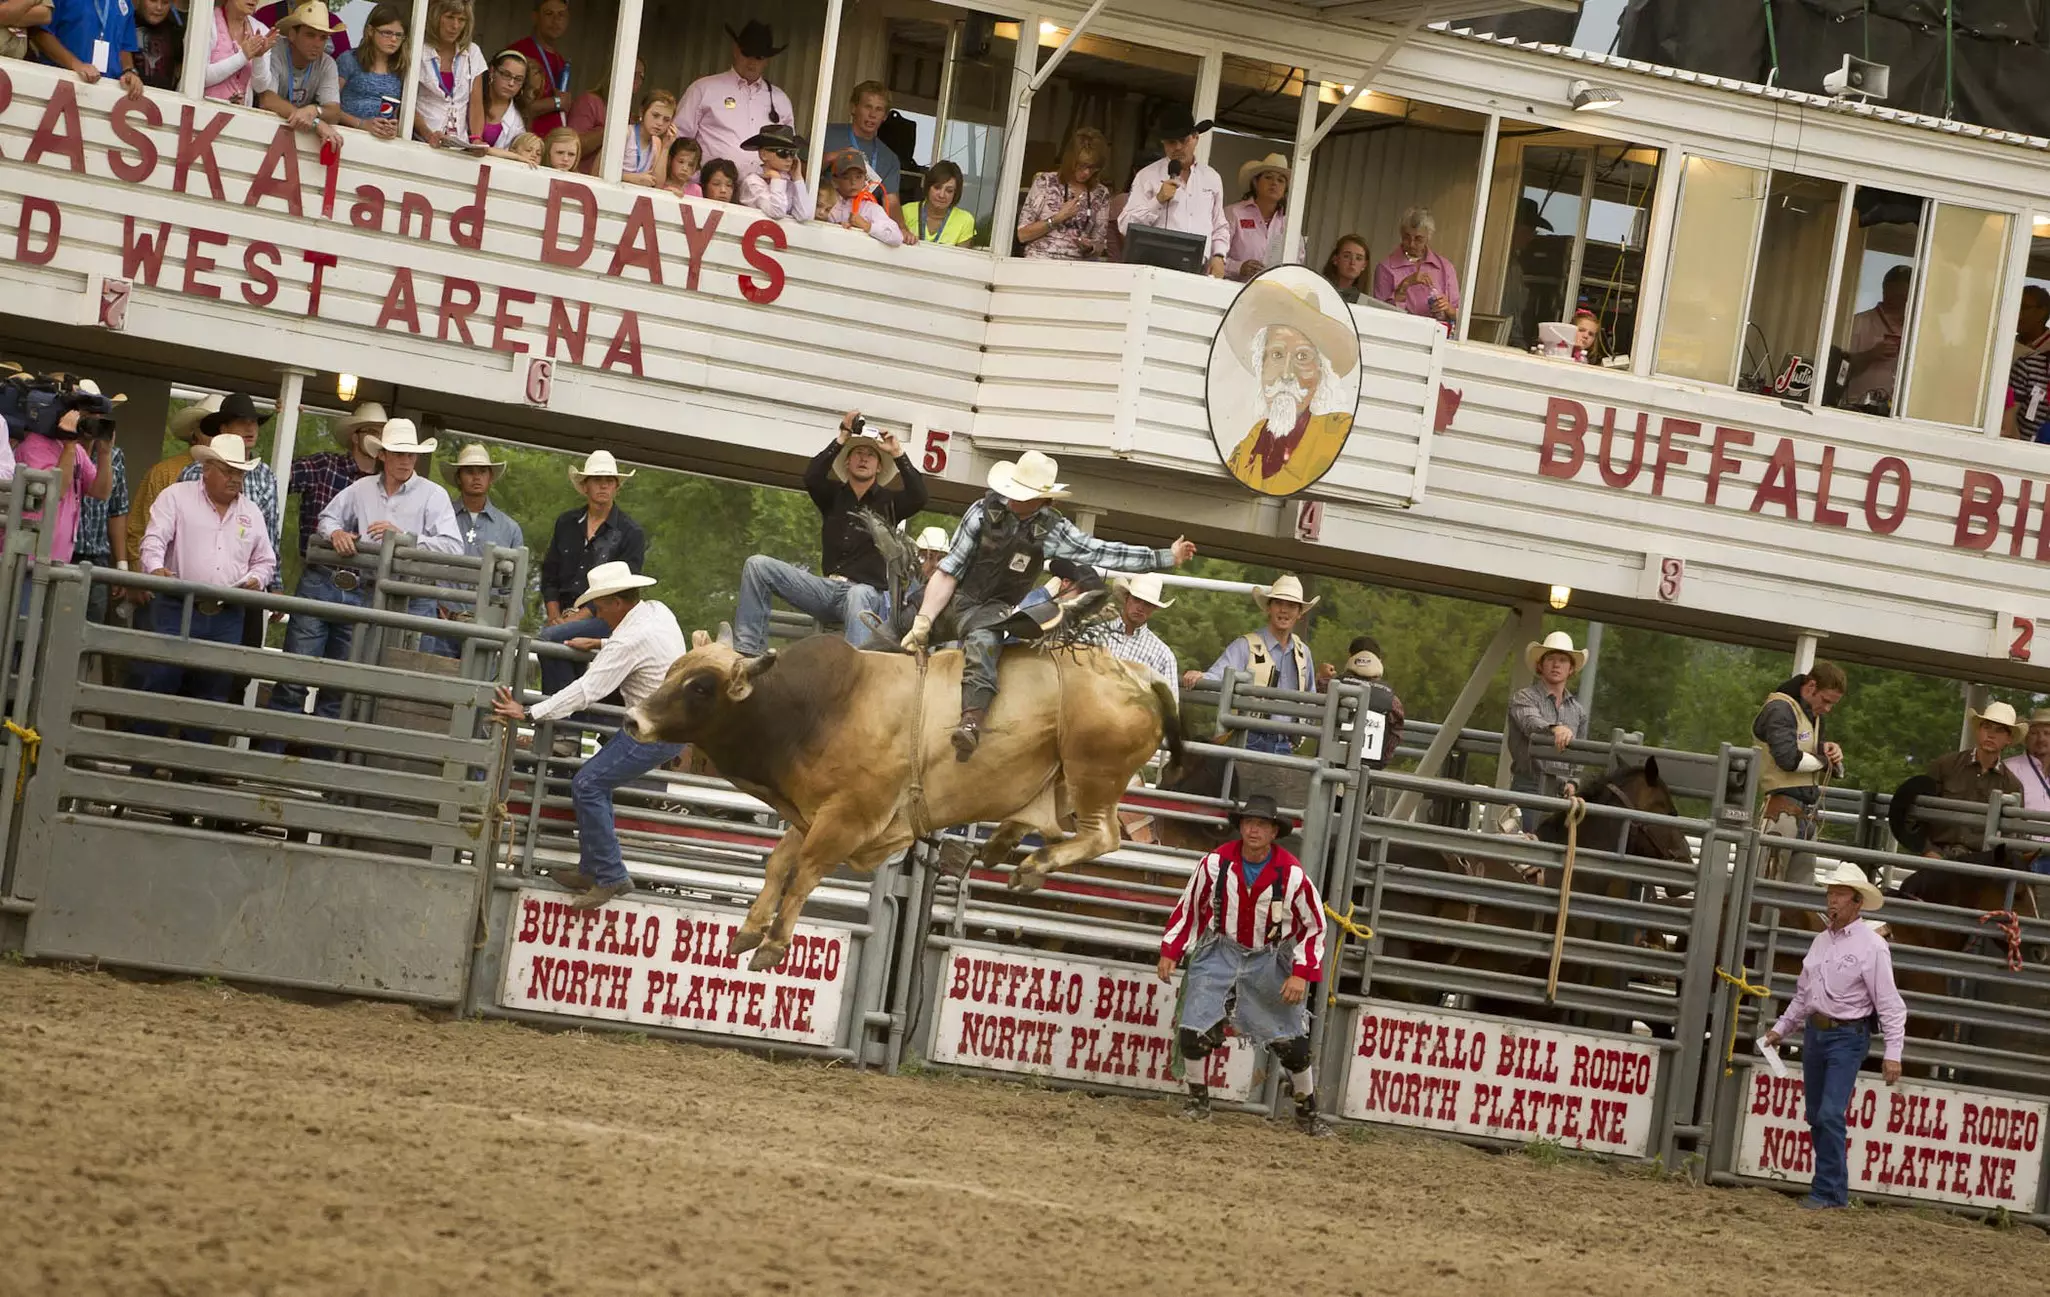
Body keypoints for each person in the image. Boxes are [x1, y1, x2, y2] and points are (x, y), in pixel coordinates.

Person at [903, 451, 1194, 758]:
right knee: (897, 626)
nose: (1015, 498)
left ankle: (972, 720)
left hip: (995, 609)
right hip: (954, 597)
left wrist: (1163, 557)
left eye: (1024, 494)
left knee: (983, 642)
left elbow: (1103, 552)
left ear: (1042, 500)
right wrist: (923, 619)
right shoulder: (981, 512)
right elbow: (950, 570)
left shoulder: (1053, 530)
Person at [491, 563, 686, 910]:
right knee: (595, 782)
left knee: (588, 784)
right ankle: (594, 868)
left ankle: (610, 875)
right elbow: (641, 647)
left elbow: (587, 690)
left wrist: (531, 712)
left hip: (654, 728)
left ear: (614, 603)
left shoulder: (628, 640)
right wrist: (602, 641)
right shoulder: (657, 613)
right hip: (668, 722)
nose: (595, 611)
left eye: (598, 604)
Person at [1156, 794, 1330, 1136]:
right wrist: (1171, 949)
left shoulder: (1292, 874)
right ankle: (1197, 1102)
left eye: (1262, 825)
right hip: (1219, 948)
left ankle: (1307, 1112)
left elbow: (1315, 924)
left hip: (1269, 955)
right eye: (1249, 823)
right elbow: (1189, 906)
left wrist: (1300, 972)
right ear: (1240, 828)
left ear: (1273, 832)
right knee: (1194, 1028)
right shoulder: (1215, 864)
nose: (1254, 829)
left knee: (1290, 1040)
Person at [1760, 862, 1905, 1210]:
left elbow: (1889, 1003)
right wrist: (1781, 1028)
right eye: (1831, 894)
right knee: (1817, 1113)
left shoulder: (1872, 946)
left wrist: (1893, 1051)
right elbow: (1804, 995)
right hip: (1817, 1033)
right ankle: (1834, 1192)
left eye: (1840, 895)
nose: (1832, 901)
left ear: (1857, 902)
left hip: (1846, 1036)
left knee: (1827, 1114)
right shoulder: (1821, 941)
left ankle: (1826, 1190)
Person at [733, 413, 926, 655]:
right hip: (826, 589)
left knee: (859, 593)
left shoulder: (890, 503)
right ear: (847, 462)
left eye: (870, 456)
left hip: (866, 594)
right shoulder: (833, 495)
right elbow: (811, 477)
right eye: (857, 454)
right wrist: (843, 437)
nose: (863, 459)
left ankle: (858, 672)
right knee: (757, 566)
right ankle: (748, 651)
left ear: (879, 467)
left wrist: (897, 452)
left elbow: (920, 496)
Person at [134, 433, 279, 716]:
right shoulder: (176, 496)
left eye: (240, 472)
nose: (235, 478)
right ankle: (145, 758)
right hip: (177, 606)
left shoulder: (251, 512)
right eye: (228, 471)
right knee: (160, 683)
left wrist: (257, 579)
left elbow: (265, 560)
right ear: (207, 469)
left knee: (213, 694)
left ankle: (188, 756)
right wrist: (154, 569)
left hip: (227, 613)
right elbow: (153, 541)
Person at [264, 404, 380, 719]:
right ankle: (272, 757)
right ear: (356, 437)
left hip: (363, 586)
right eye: (373, 431)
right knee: (294, 678)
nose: (379, 439)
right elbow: (269, 483)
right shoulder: (323, 465)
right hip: (319, 576)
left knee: (339, 690)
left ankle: (317, 762)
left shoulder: (388, 485)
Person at [1219, 277, 1359, 496]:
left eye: (1302, 356)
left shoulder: (1337, 434)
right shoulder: (1246, 449)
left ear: (1320, 372)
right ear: (1261, 366)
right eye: (1276, 355)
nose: (1286, 373)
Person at [538, 449, 646, 697]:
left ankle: (564, 723)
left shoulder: (631, 533)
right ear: (585, 486)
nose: (604, 486)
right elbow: (550, 573)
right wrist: (555, 615)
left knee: (550, 639)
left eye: (609, 481)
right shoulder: (565, 523)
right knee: (555, 636)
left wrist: (573, 620)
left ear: (616, 487)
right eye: (598, 480)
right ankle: (569, 724)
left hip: (608, 619)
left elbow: (622, 592)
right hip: (564, 613)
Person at [1185, 574, 1320, 756]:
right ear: (1269, 608)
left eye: (1291, 606)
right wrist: (1201, 677)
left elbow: (1310, 697)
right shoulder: (1245, 645)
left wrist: (1299, 735)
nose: (1284, 611)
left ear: (1299, 613)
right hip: (1247, 737)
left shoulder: (1303, 652)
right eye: (1279, 603)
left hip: (1284, 744)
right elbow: (1217, 677)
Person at [1752, 662, 1847, 881]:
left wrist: (1829, 752)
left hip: (1804, 814)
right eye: (1825, 700)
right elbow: (1788, 760)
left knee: (1798, 894)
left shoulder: (1809, 714)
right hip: (1781, 811)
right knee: (1768, 886)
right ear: (1811, 686)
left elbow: (1808, 755)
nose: (1827, 709)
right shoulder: (1780, 708)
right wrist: (1825, 761)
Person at [430, 443, 523, 657]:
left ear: (490, 477)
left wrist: (503, 628)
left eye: (482, 471)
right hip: (439, 621)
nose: (476, 477)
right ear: (459, 477)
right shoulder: (440, 518)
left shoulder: (509, 528)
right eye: (469, 471)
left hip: (486, 626)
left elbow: (515, 589)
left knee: (478, 688)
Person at [675, 19, 793, 181]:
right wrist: (693, 178)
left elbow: (788, 151)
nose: (751, 62)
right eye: (747, 53)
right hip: (709, 189)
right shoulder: (704, 88)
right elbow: (678, 139)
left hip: (761, 194)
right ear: (736, 50)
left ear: (767, 60)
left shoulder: (780, 100)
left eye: (758, 57)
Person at [1117, 109, 1228, 277]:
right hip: (1154, 269)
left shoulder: (1211, 178)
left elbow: (1219, 224)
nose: (1177, 147)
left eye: (1182, 140)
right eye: (1170, 142)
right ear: (1163, 143)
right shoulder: (1147, 176)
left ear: (1195, 138)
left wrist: (1219, 256)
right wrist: (1157, 200)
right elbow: (1125, 225)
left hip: (1198, 269)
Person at [17, 384, 115, 565]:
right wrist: (69, 444)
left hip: (58, 560)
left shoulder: (75, 450)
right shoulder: (34, 446)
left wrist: (105, 454)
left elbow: (101, 492)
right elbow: (56, 492)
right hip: (28, 559)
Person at [174, 392, 282, 555]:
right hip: (197, 565)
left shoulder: (266, 476)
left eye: (254, 422)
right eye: (241, 422)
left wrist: (269, 578)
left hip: (248, 574)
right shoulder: (195, 472)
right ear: (224, 429)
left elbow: (270, 538)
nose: (250, 428)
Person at [1505, 630, 1589, 831]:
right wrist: (1554, 729)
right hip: (1529, 785)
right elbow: (1530, 723)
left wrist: (1573, 783)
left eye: (1562, 660)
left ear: (1571, 669)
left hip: (1563, 793)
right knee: (1529, 846)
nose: (1556, 664)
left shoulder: (1578, 712)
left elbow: (1580, 755)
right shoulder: (1523, 697)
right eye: (1550, 659)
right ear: (1540, 666)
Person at [1921, 702, 2024, 858]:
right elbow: (1916, 812)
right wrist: (1927, 850)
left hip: (1978, 863)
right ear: (1978, 730)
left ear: (2008, 739)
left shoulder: (2012, 784)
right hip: (1935, 856)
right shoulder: (1945, 765)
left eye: (1999, 730)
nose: (1991, 735)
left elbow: (2014, 838)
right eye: (1986, 727)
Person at [128, 398, 213, 565]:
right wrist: (141, 578)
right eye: (209, 429)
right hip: (162, 576)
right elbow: (139, 528)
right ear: (195, 433)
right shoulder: (164, 472)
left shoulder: (240, 478)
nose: (216, 436)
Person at [255, 1, 345, 146]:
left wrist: (314, 110)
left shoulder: (327, 63)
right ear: (292, 34)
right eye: (310, 35)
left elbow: (334, 113)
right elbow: (267, 100)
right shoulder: (275, 50)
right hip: (261, 133)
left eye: (323, 38)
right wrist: (316, 122)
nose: (317, 43)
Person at [1017, 128, 1111, 261]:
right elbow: (1022, 235)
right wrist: (1058, 218)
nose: (1086, 173)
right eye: (1082, 165)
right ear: (1070, 160)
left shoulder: (1101, 193)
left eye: (1093, 167)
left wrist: (1091, 247)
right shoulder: (1045, 182)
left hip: (1078, 267)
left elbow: (1100, 244)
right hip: (1040, 260)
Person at [29, 0, 147, 99]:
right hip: (62, 83)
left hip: (108, 91)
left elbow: (125, 46)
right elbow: (40, 33)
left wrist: (129, 71)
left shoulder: (125, 3)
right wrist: (76, 64)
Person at [73, 422, 130, 625]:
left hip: (98, 558)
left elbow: (117, 510)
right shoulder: (61, 449)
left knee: (90, 630)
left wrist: (122, 567)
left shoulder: (113, 455)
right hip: (64, 555)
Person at [1373, 207, 1459, 330]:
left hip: (1437, 335)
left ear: (1428, 237)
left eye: (1418, 239)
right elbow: (1379, 315)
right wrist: (1405, 285)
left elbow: (1460, 316)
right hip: (1399, 334)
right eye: (1406, 237)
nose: (1411, 243)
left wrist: (1447, 308)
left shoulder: (1445, 267)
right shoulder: (1385, 268)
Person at [1223, 153, 1304, 281]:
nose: (1274, 183)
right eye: (1268, 177)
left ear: (1285, 190)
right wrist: (1239, 267)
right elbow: (1214, 257)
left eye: (1280, 180)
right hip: (1234, 291)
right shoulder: (1234, 213)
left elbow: (1298, 265)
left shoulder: (1290, 225)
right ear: (1255, 183)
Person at [413, 0, 484, 146]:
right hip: (420, 141)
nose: (455, 26)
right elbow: (407, 102)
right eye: (450, 17)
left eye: (462, 20)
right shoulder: (418, 49)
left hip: (459, 144)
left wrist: (476, 139)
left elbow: (476, 103)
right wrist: (427, 134)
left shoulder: (473, 52)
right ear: (436, 16)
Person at [1842, 264, 1910, 412]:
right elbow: (1838, 370)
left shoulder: (1919, 331)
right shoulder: (1858, 323)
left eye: (1904, 294)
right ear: (1885, 289)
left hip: (1902, 413)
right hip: (1858, 408)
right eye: (1896, 291)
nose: (1901, 298)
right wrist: (1871, 354)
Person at [821, 80, 902, 203]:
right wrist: (835, 156)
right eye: (867, 107)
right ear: (853, 108)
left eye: (879, 109)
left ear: (885, 116)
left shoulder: (890, 159)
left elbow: (891, 205)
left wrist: (900, 223)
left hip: (861, 220)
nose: (872, 114)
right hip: (822, 215)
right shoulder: (825, 133)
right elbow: (802, 174)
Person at [1102, 573, 1178, 701]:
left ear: (1154, 608)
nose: (1140, 608)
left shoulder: (1163, 656)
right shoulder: (1095, 635)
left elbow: (1170, 704)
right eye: (1137, 599)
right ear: (1127, 598)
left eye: (1147, 604)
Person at [335, 3, 406, 140]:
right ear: (370, 31)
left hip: (384, 143)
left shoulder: (401, 68)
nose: (393, 40)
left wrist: (394, 128)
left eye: (399, 35)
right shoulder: (349, 60)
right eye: (387, 33)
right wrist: (361, 124)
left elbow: (399, 113)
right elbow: (328, 106)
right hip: (347, 136)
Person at [566, 56, 641, 177]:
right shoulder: (589, 101)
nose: (635, 79)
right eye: (632, 72)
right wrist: (613, 129)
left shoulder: (630, 116)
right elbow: (573, 145)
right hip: (580, 178)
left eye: (640, 76)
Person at [509, 0, 571, 137]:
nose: (556, 21)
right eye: (549, 14)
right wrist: (557, 102)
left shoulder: (559, 59)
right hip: (525, 143)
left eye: (561, 15)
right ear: (535, 17)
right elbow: (510, 106)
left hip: (551, 146)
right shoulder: (519, 52)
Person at [204, 0, 276, 105]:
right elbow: (199, 78)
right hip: (201, 111)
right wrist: (243, 56)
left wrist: (259, 57)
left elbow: (260, 87)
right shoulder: (207, 21)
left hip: (239, 116)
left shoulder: (261, 30)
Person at [1500, 197, 1551, 348]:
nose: (1530, 237)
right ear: (1512, 228)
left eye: (1533, 232)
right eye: (1526, 231)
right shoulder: (1499, 265)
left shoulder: (1515, 266)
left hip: (1513, 340)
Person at [824, 150, 902, 245]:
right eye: (846, 177)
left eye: (858, 177)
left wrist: (866, 225)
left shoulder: (871, 208)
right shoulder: (827, 203)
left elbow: (897, 237)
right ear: (835, 181)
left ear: (865, 179)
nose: (853, 182)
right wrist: (837, 227)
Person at [739, 122, 813, 221]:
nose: (789, 159)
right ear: (764, 154)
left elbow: (804, 215)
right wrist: (776, 179)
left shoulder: (788, 182)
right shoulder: (752, 182)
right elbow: (777, 212)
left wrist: (798, 177)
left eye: (792, 153)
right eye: (783, 153)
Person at [468, 48, 529, 156]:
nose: (511, 83)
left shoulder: (518, 122)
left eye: (518, 79)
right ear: (492, 71)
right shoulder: (470, 97)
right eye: (506, 75)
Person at [904, 160, 975, 246]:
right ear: (928, 187)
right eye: (937, 187)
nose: (942, 195)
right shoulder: (906, 211)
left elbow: (961, 258)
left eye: (949, 191)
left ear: (955, 194)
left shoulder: (965, 220)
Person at [620, 89, 676, 186]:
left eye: (666, 120)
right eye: (655, 115)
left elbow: (658, 184)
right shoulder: (626, 133)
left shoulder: (657, 143)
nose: (660, 123)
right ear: (642, 112)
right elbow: (598, 171)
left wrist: (666, 148)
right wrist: (630, 178)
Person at [131, 0, 183, 91]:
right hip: (130, 95)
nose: (159, 7)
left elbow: (179, 70)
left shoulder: (175, 32)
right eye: (153, 1)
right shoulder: (127, 26)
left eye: (165, 2)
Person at [1322, 234, 1368, 304]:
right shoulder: (1320, 289)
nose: (1352, 262)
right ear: (1335, 259)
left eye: (1358, 258)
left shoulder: (1364, 301)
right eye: (1346, 256)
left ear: (1364, 265)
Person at [2014, 284, 2050, 364]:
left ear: (2042, 312)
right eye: (2015, 306)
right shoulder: (2009, 344)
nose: (2017, 312)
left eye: (2024, 307)